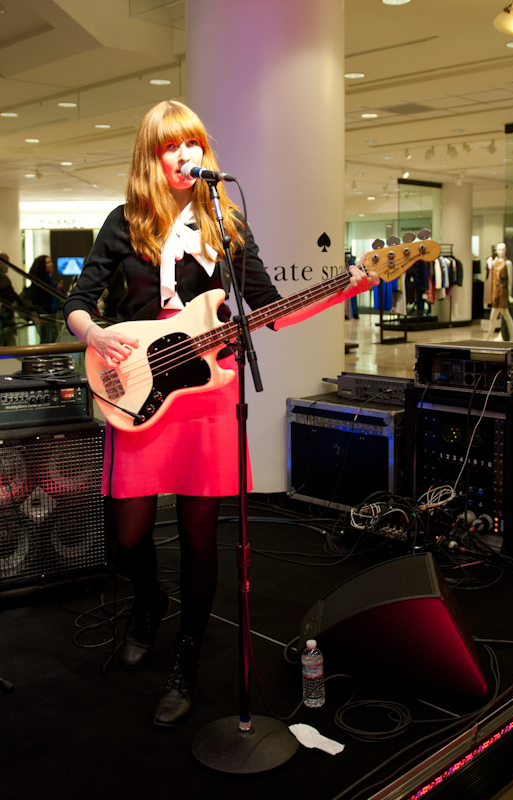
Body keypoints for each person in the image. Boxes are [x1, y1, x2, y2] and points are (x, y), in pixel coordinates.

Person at [63, 99, 378, 728]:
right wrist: (94, 335)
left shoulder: (225, 222)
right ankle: (149, 603)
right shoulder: (124, 223)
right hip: (138, 392)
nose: (185, 156)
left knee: (203, 538)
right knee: (128, 534)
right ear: (150, 156)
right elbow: (76, 301)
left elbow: (269, 307)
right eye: (170, 146)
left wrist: (346, 286)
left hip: (206, 398)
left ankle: (185, 658)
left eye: (194, 144)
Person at [484, 242, 513, 341]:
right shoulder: (494, 262)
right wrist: (489, 260)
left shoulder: (508, 263)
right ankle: (488, 339)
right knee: (496, 318)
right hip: (496, 293)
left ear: (506, 250)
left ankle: (488, 339)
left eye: (503, 249)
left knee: (500, 317)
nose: (501, 252)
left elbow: (510, 280)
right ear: (497, 251)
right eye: (499, 249)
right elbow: (490, 270)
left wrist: (509, 295)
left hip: (503, 293)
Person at [28, 255, 64, 343]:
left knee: (52, 338)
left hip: (51, 313)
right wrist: (40, 314)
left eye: (50, 262)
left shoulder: (48, 279)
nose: (51, 264)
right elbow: (35, 298)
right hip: (44, 315)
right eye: (47, 262)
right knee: (47, 340)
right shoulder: (38, 281)